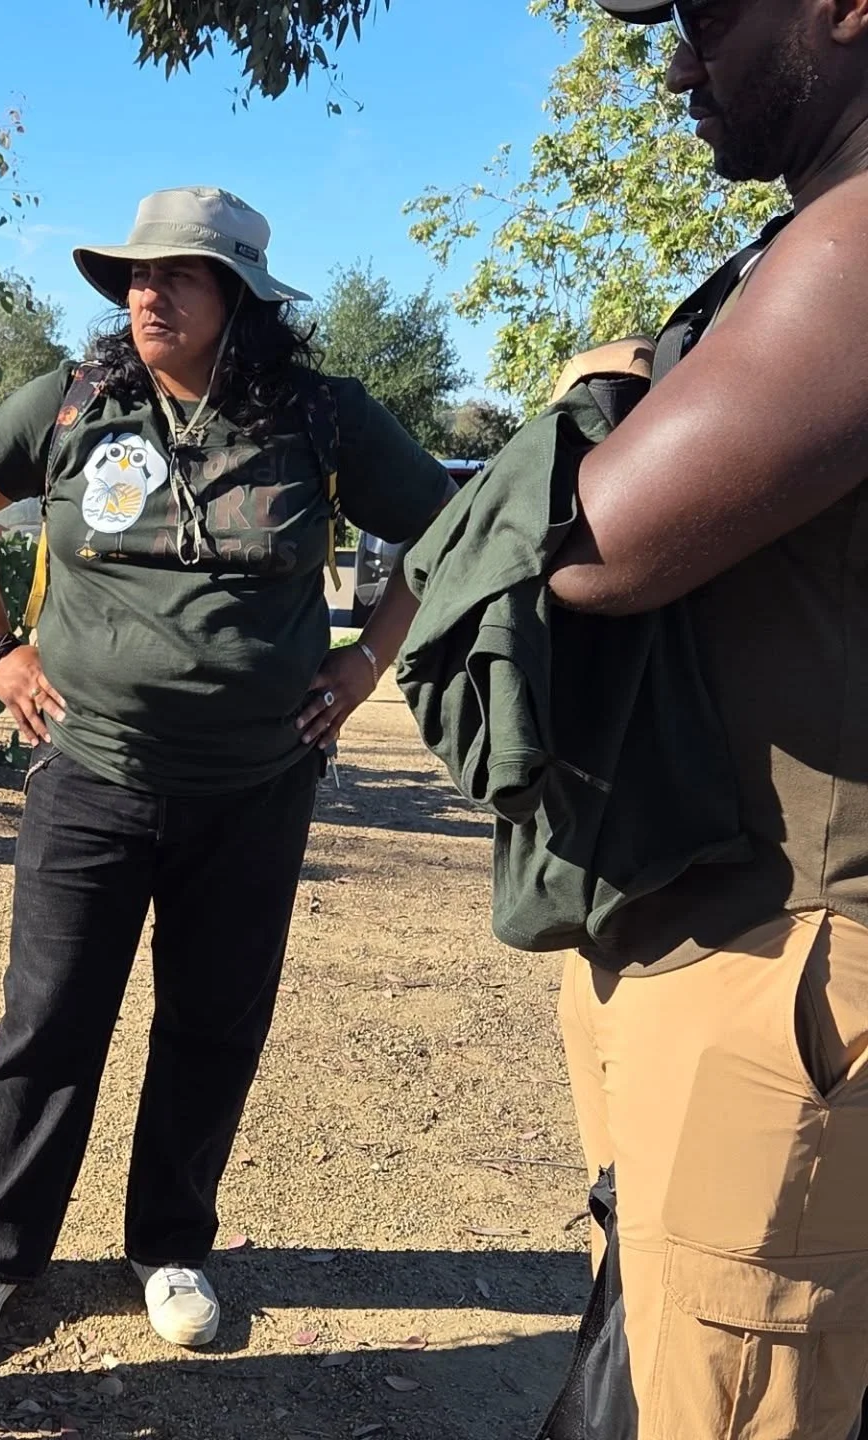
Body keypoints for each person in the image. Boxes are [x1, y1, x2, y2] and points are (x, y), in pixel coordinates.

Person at [0, 186, 453, 1361]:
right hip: (92, 772)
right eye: (136, 277)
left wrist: (365, 663)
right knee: (49, 1021)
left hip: (257, 784)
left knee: (211, 1023)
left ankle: (169, 1246)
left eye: (179, 276)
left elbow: (445, 528)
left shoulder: (317, 416)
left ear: (241, 298)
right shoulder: (72, 401)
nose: (148, 294)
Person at [546, 3, 868, 1435]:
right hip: (727, 925)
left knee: (733, 1393)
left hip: (785, 954)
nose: (676, 64)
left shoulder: (855, 252)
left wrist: (588, 401)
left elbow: (591, 543)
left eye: (706, 17)